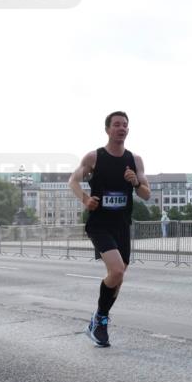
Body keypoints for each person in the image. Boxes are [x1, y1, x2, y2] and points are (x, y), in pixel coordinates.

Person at [68, 111, 151, 347]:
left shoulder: (135, 161)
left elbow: (146, 193)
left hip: (122, 225)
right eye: (116, 125)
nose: (121, 128)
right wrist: (85, 199)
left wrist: (136, 182)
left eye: (125, 125)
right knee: (116, 271)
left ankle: (98, 319)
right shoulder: (95, 157)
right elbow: (73, 181)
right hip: (100, 224)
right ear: (107, 130)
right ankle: (100, 320)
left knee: (119, 276)